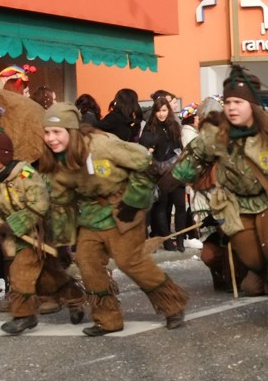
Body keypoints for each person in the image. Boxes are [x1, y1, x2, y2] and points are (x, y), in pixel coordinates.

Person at [169, 66, 268, 321]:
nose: (232, 107)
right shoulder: (217, 133)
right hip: (235, 203)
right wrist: (163, 183)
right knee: (251, 256)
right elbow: (193, 159)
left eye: (238, 101)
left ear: (252, 104)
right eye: (229, 102)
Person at [38, 103, 188, 336]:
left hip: (123, 207)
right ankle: (107, 319)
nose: (51, 138)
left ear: (72, 130)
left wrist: (134, 200)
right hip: (91, 215)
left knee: (130, 261)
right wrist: (61, 243)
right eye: (47, 132)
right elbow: (61, 204)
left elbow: (143, 162)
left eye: (57, 132)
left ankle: (172, 305)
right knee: (87, 263)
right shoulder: (56, 162)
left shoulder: (101, 145)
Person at [0, 131, 85, 334]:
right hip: (12, 235)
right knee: (47, 277)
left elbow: (40, 203)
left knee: (20, 272)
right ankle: (74, 297)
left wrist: (15, 222)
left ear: (4, 154)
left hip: (36, 232)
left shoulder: (24, 173)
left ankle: (24, 316)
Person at [141, 96, 186, 251]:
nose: (161, 114)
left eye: (164, 110)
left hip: (176, 171)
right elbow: (146, 152)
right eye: (158, 111)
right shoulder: (150, 128)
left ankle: (180, 239)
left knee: (180, 204)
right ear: (154, 112)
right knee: (162, 206)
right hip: (159, 173)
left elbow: (180, 146)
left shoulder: (174, 125)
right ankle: (167, 240)